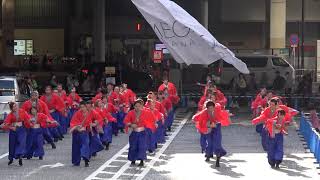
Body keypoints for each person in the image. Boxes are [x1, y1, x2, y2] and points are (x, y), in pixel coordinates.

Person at [192, 101, 230, 167]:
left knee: (217, 143)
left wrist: (227, 116)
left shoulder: (217, 109)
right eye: (209, 108)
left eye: (212, 108)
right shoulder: (204, 113)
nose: (211, 109)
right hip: (208, 128)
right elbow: (198, 120)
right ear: (206, 108)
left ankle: (218, 158)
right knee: (210, 143)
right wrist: (207, 125)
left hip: (216, 126)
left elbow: (223, 115)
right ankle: (208, 154)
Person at [124, 99, 156, 167]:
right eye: (136, 106)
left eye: (139, 106)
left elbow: (152, 119)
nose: (137, 107)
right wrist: (131, 125)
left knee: (142, 147)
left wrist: (150, 125)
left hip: (142, 133)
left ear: (141, 106)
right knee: (133, 146)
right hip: (134, 133)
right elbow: (126, 121)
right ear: (134, 106)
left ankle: (141, 160)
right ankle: (133, 159)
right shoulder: (131, 112)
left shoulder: (146, 112)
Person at [70, 101, 91, 167]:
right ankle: (76, 161)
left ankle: (86, 160)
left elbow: (90, 123)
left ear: (86, 107)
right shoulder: (77, 113)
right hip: (76, 131)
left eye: (83, 107)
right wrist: (77, 128)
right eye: (81, 107)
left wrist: (85, 127)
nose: (82, 109)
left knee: (85, 145)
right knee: (76, 147)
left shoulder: (90, 113)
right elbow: (73, 122)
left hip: (84, 132)